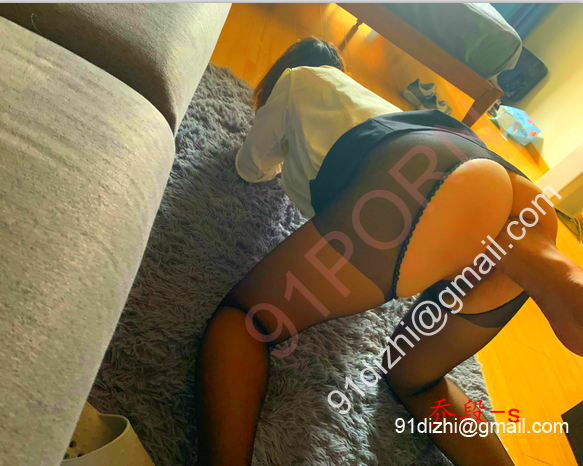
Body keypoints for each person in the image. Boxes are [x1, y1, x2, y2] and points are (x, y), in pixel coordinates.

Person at [195, 37, 583, 466]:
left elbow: (250, 168)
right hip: (481, 164)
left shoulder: (295, 78)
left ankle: (515, 249)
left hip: (416, 180)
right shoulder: (371, 99)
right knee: (417, 381)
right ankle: (543, 263)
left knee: (247, 321)